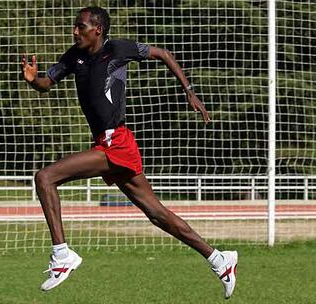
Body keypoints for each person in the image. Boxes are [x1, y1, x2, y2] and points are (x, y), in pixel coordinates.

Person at [21, 6, 238, 299]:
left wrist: (188, 90)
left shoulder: (118, 49)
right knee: (156, 214)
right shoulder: (75, 55)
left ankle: (62, 256)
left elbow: (163, 53)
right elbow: (47, 83)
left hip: (117, 143)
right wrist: (34, 79)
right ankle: (219, 259)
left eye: (80, 27)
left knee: (45, 178)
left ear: (97, 29)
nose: (75, 31)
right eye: (75, 26)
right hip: (107, 144)